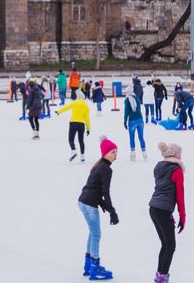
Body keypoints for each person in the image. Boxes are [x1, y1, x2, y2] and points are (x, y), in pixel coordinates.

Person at [77, 136, 119, 280]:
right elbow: (105, 192)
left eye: (116, 152)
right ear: (105, 153)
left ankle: (88, 265)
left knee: (93, 232)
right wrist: (112, 211)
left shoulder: (98, 166)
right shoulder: (106, 169)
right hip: (88, 203)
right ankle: (95, 266)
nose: (115, 155)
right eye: (113, 152)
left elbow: (96, 188)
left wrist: (103, 204)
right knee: (96, 234)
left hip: (83, 201)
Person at [148, 142, 186, 283]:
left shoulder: (159, 167)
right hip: (162, 210)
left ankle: (160, 276)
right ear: (176, 155)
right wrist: (183, 217)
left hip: (154, 209)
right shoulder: (176, 170)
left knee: (165, 244)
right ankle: (162, 278)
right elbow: (179, 197)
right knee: (170, 246)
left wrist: (170, 215)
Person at [56, 92, 92, 162]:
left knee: (71, 139)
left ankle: (74, 151)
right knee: (81, 141)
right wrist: (88, 129)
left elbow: (66, 107)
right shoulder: (86, 106)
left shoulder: (75, 102)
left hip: (73, 123)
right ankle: (82, 157)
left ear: (78, 97)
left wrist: (58, 112)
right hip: (82, 124)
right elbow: (87, 119)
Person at [123, 88, 146, 160]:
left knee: (132, 138)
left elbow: (126, 112)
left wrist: (124, 121)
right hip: (140, 120)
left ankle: (133, 154)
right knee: (141, 137)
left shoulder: (127, 100)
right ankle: (144, 153)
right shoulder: (137, 98)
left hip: (132, 121)